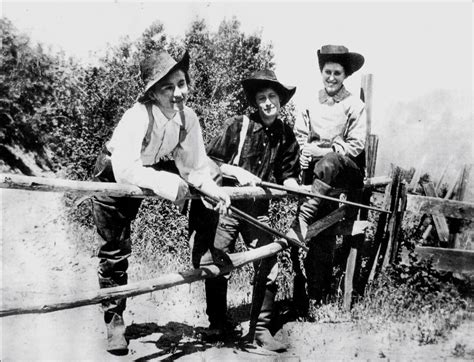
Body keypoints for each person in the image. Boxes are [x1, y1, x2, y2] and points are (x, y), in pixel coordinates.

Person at [91, 50, 230, 355]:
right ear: (152, 92)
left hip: (148, 168)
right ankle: (114, 321)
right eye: (168, 87)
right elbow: (126, 168)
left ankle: (203, 250)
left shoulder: (188, 118)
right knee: (116, 250)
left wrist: (212, 190)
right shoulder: (138, 115)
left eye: (182, 83)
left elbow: (194, 166)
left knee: (213, 178)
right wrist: (167, 183)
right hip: (114, 175)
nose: (179, 93)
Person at [189, 69, 300, 352]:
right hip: (225, 206)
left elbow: (289, 172)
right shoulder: (238, 125)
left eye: (272, 96)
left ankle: (260, 330)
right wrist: (236, 171)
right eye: (261, 97)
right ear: (255, 101)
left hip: (257, 209)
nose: (267, 103)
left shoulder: (286, 134)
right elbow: (208, 162)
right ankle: (217, 325)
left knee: (268, 261)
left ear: (280, 100)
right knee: (215, 263)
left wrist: (290, 184)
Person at [286, 45, 367, 317]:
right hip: (319, 176)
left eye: (337, 73)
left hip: (344, 168)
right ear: (321, 73)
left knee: (330, 161)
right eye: (327, 72)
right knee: (322, 235)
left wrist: (324, 150)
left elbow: (355, 145)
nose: (331, 77)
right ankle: (311, 297)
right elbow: (299, 136)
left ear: (345, 75)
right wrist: (304, 152)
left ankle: (304, 214)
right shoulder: (312, 101)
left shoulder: (355, 105)